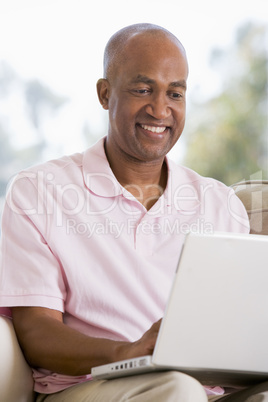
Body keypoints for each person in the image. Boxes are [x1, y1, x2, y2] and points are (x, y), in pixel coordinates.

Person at [0, 23, 267, 402]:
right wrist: (124, 353)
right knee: (177, 390)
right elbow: (36, 332)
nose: (160, 109)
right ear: (105, 94)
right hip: (89, 388)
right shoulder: (39, 191)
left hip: (205, 391)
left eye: (175, 93)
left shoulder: (219, 204)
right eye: (143, 89)